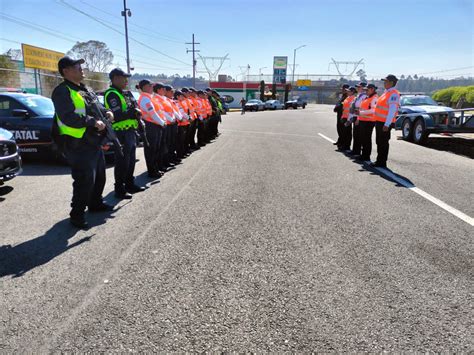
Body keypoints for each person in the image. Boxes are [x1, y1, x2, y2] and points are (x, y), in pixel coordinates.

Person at [52, 56, 114, 229]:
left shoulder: (86, 89)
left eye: (81, 66)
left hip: (93, 141)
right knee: (84, 179)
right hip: (76, 143)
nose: (81, 69)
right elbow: (68, 116)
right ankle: (77, 215)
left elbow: (99, 108)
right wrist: (93, 122)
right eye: (77, 66)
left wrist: (108, 112)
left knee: (99, 175)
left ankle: (95, 204)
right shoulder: (62, 91)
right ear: (66, 71)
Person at [104, 68, 145, 199]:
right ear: (115, 78)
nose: (126, 81)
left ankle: (130, 184)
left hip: (130, 131)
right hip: (120, 133)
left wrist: (135, 112)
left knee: (131, 160)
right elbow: (116, 114)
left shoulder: (125, 93)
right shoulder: (111, 94)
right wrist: (132, 113)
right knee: (122, 161)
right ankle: (120, 189)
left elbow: (133, 106)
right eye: (123, 78)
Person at [136, 79, 166, 178]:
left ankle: (156, 168)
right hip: (150, 126)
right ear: (144, 87)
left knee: (156, 148)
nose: (152, 87)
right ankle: (152, 171)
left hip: (155, 125)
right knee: (151, 150)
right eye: (150, 85)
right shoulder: (145, 99)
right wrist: (162, 122)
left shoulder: (149, 97)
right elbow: (152, 113)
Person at [370, 75, 400, 168]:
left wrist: (387, 124)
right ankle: (379, 160)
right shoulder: (386, 92)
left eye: (386, 81)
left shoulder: (393, 94)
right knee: (379, 141)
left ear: (391, 83)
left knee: (383, 142)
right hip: (379, 121)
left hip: (384, 123)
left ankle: (382, 162)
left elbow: (392, 110)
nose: (384, 83)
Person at [356, 84, 378, 162]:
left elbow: (373, 110)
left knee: (366, 139)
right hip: (363, 121)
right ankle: (363, 154)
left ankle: (366, 156)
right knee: (363, 139)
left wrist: (361, 113)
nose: (366, 91)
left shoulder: (374, 98)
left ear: (372, 89)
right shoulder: (367, 98)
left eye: (367, 90)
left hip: (369, 122)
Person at [347, 82, 367, 156]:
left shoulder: (364, 96)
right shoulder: (359, 96)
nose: (358, 88)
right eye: (357, 87)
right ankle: (355, 150)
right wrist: (350, 118)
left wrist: (358, 118)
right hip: (355, 116)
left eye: (359, 87)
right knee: (355, 134)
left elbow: (361, 108)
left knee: (359, 135)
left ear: (364, 88)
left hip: (360, 117)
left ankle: (358, 151)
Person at [174, 90, 190, 159]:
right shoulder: (177, 103)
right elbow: (182, 112)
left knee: (183, 140)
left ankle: (182, 153)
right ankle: (180, 154)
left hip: (184, 123)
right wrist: (188, 117)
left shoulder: (180, 102)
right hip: (180, 124)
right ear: (177, 96)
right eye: (181, 96)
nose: (182, 97)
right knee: (180, 141)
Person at [339, 86, 356, 151]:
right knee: (344, 132)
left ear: (352, 92)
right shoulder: (347, 98)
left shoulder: (353, 98)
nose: (347, 92)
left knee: (348, 133)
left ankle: (347, 146)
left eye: (349, 91)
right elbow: (344, 109)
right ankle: (344, 145)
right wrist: (342, 116)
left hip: (349, 118)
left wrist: (349, 119)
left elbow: (351, 110)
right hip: (345, 117)